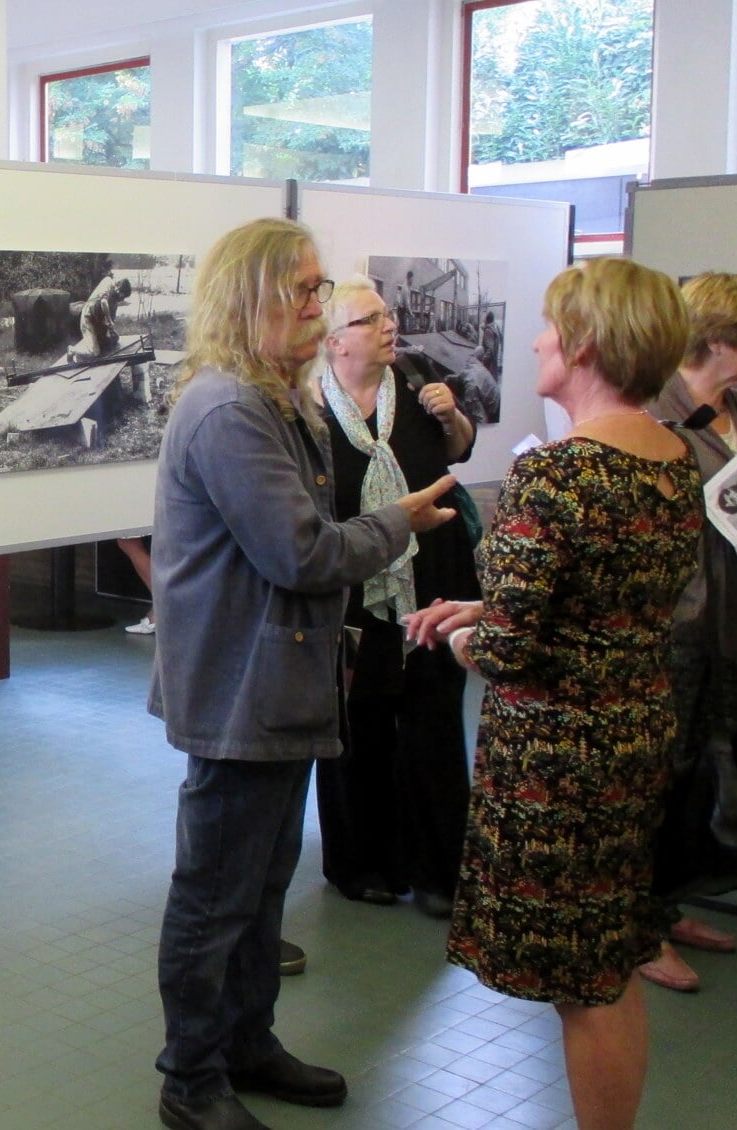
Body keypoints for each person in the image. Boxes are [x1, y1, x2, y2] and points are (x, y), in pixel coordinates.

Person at [149, 217, 457, 1130]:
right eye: (304, 291)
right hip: (240, 687)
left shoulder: (275, 400)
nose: (320, 311)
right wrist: (398, 521)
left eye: (323, 292)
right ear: (249, 300)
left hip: (272, 684)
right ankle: (189, 1078)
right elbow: (300, 553)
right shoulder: (230, 409)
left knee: (262, 881)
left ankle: (246, 1043)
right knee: (215, 894)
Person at [405, 257, 700, 1130]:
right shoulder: (669, 456)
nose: (535, 338)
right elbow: (599, 601)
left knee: (583, 985)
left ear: (583, 345)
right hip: (633, 734)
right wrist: (488, 602)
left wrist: (463, 631)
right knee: (609, 959)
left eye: (548, 325)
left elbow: (510, 650)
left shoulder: (557, 475)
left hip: (557, 763)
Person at [639, 273, 737, 993]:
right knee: (657, 772)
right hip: (678, 623)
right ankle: (637, 929)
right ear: (715, 339)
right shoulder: (653, 409)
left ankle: (668, 905)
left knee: (705, 762)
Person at [311, 276, 479, 919]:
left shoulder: (414, 380)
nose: (388, 326)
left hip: (433, 572)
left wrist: (451, 416)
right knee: (361, 721)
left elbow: (457, 451)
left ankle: (439, 866)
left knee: (434, 714)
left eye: (386, 314)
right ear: (334, 342)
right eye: (370, 319)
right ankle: (362, 863)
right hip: (356, 580)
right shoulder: (310, 409)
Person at [79, 274, 134, 358]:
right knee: (94, 352)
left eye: (122, 297)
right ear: (118, 286)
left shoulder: (115, 301)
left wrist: (111, 329)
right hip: (88, 318)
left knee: (114, 339)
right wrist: (109, 320)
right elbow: (103, 302)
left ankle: (92, 343)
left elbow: (111, 322)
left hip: (98, 323)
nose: (121, 298)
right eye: (121, 294)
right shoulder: (107, 282)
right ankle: (73, 350)